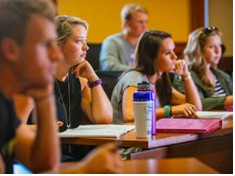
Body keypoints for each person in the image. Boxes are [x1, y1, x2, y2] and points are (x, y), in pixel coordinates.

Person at [0, 0, 122, 174]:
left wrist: (43, 95)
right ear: (10, 49)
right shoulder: (14, 97)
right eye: (45, 44)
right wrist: (84, 170)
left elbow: (43, 164)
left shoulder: (6, 102)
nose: (56, 54)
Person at [54, 15, 113, 161]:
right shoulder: (34, 81)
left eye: (85, 41)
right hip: (49, 157)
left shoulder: (78, 81)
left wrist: (93, 79)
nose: (86, 47)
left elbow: (104, 118)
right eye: (79, 41)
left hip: (76, 153)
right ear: (57, 45)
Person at [111, 30, 202, 124]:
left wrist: (185, 75)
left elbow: (195, 107)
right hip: (127, 137)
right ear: (151, 57)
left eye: (173, 51)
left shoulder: (160, 81)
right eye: (167, 53)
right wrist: (169, 110)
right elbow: (130, 116)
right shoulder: (134, 78)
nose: (174, 56)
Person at [173, 27, 233, 110]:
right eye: (212, 47)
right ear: (199, 50)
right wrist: (227, 100)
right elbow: (195, 105)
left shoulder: (224, 76)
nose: (218, 51)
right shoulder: (185, 76)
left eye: (219, 45)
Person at [99, 3, 148, 71]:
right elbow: (109, 67)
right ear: (126, 23)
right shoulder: (112, 42)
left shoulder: (146, 43)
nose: (144, 26)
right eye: (140, 22)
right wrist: (140, 70)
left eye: (146, 22)